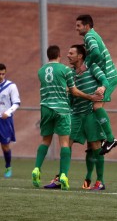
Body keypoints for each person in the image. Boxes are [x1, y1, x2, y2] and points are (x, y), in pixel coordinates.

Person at [31, 45, 103, 190]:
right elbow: (73, 91)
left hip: (47, 107)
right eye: (67, 53)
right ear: (58, 55)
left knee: (46, 140)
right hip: (64, 110)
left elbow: (52, 85)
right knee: (65, 143)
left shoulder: (40, 71)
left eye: (71, 53)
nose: (68, 55)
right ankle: (63, 175)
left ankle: (37, 168)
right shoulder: (65, 70)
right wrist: (90, 97)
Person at [76, 14, 117, 155]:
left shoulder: (89, 36)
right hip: (107, 76)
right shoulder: (92, 35)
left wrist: (86, 64)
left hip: (109, 76)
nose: (76, 29)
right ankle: (102, 138)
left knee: (96, 105)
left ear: (87, 26)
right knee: (96, 107)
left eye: (79, 26)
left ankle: (110, 139)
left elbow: (96, 53)